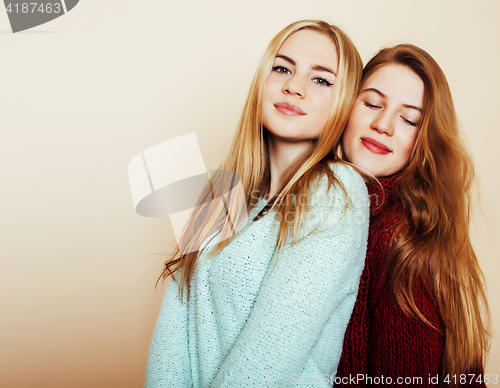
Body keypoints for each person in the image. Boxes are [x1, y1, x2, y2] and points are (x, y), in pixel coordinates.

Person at [145, 20, 369, 387]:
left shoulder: (338, 192)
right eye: (282, 68)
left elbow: (270, 353)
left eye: (321, 80)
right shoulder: (219, 194)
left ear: (343, 101)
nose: (293, 87)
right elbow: (173, 330)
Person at [335, 44, 490, 387]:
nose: (382, 124)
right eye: (372, 103)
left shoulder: (397, 240)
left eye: (409, 119)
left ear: (425, 141)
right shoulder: (337, 211)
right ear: (344, 107)